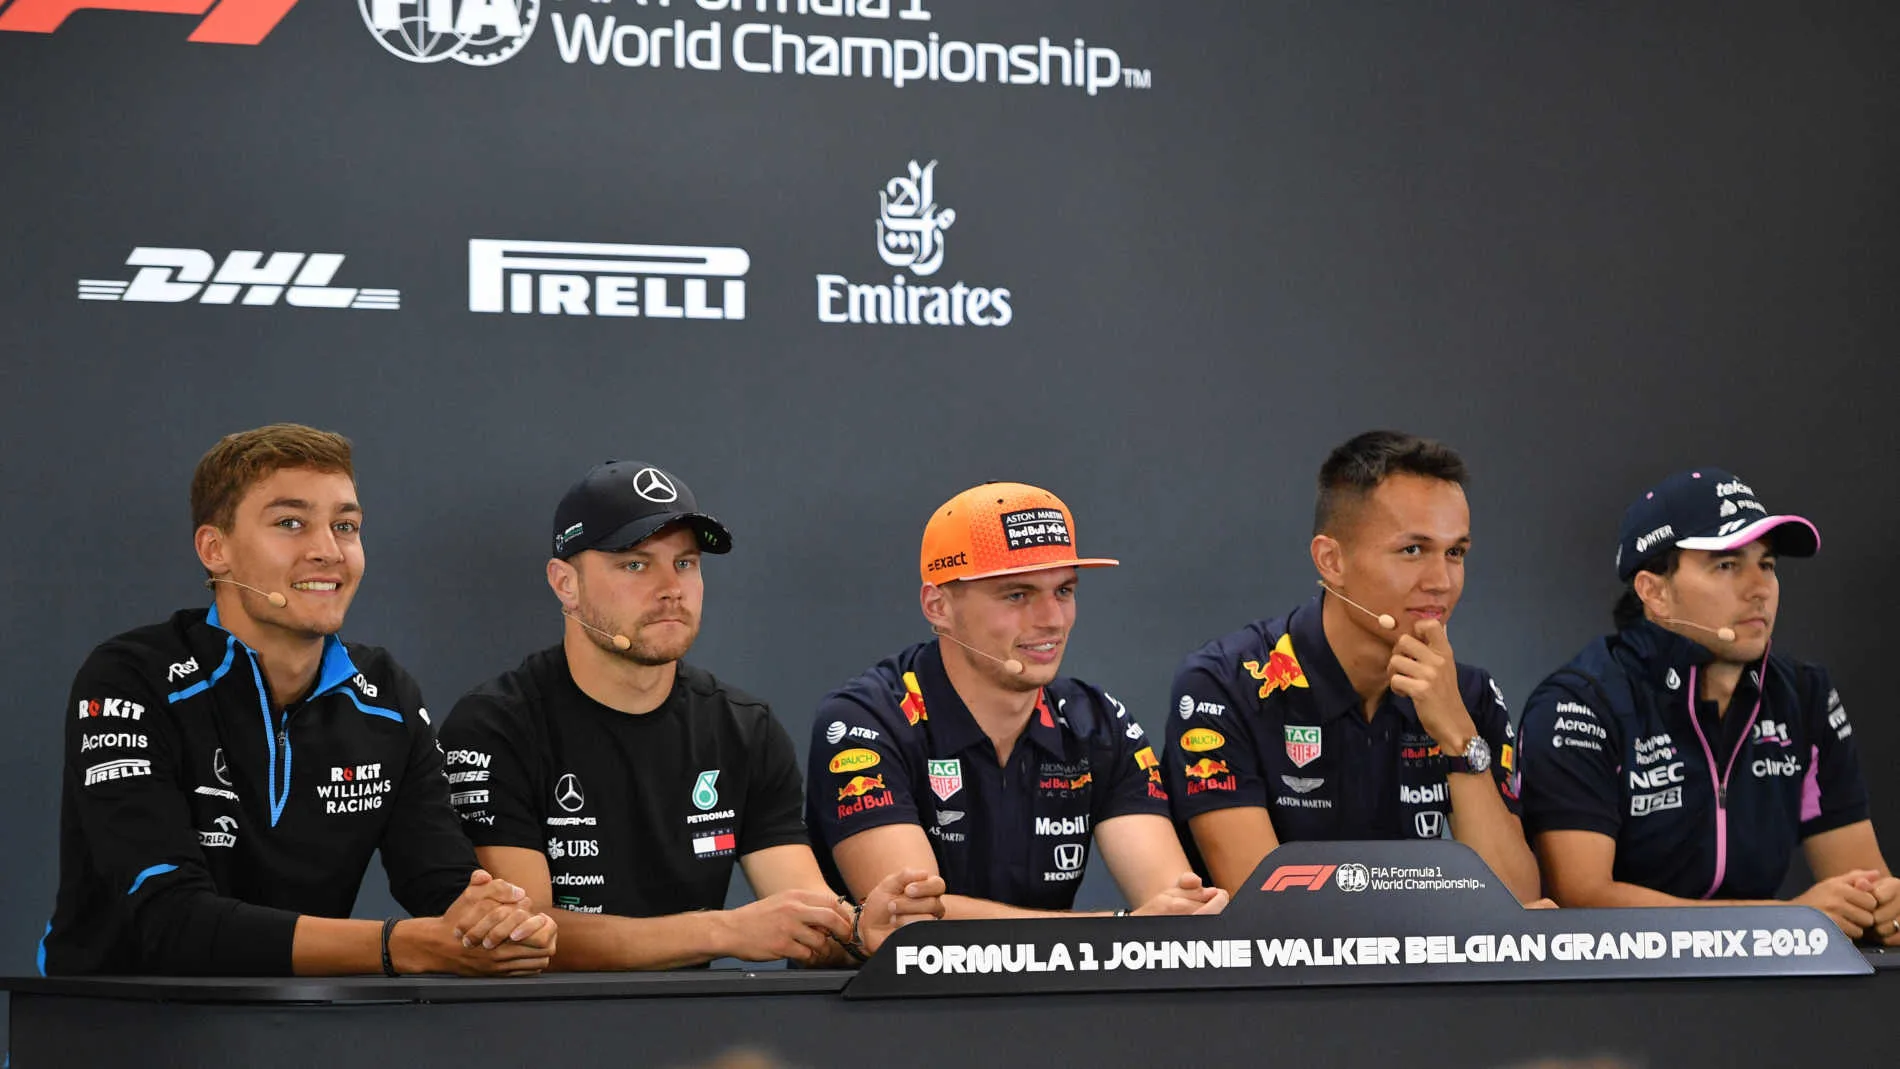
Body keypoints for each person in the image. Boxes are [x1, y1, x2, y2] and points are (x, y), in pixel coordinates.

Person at [43, 423, 556, 976]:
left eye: (346, 526)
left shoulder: (386, 695)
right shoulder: (131, 677)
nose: (328, 551)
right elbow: (171, 921)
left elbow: (443, 886)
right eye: (290, 523)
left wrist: (500, 922)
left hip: (293, 1031)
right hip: (112, 1029)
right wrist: (395, 946)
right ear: (215, 549)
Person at [439, 462, 943, 969]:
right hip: (532, 1034)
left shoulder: (743, 727)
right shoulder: (493, 727)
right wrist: (723, 930)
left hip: (693, 1036)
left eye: (685, 563)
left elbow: (805, 910)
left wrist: (859, 930)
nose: (670, 588)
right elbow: (520, 933)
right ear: (564, 583)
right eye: (635, 564)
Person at [806, 482, 1227, 918]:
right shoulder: (868, 720)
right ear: (938, 606)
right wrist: (1113, 931)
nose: (1052, 619)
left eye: (1064, 590)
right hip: (897, 988)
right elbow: (909, 921)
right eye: (1017, 595)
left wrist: (1185, 914)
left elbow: (1173, 906)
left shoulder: (1098, 722)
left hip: (1050, 986)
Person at [1518, 468, 1899, 942]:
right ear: (1653, 593)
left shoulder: (1805, 696)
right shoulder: (1581, 704)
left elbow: (1863, 876)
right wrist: (1781, 923)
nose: (1759, 588)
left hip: (1768, 1000)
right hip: (1616, 999)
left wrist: (1883, 908)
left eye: (1768, 564)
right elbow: (1580, 898)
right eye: (1726, 564)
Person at [1166, 431, 1542, 902]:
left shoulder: (1469, 695)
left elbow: (1520, 910)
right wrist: (1443, 906)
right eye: (1412, 550)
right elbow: (1267, 910)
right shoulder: (1225, 684)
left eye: (1455, 553)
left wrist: (1459, 739)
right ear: (1332, 561)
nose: (1441, 582)